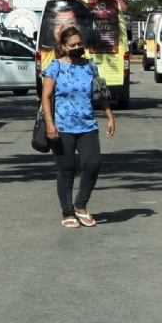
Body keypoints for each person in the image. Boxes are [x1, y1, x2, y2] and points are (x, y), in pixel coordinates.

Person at [41, 25, 115, 227]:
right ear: (64, 46)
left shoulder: (90, 66)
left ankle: (80, 205)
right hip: (61, 126)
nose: (77, 47)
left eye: (79, 43)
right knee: (66, 169)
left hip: (87, 125)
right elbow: (46, 97)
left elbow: (100, 93)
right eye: (73, 44)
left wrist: (109, 115)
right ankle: (67, 212)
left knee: (93, 163)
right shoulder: (55, 67)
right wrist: (50, 123)